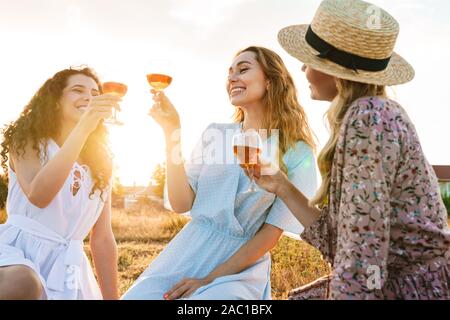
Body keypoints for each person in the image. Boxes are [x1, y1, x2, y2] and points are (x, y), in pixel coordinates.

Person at [248, 0, 450, 299]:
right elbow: (340, 239)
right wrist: (282, 186)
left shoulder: (368, 120)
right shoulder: (371, 114)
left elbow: (362, 255)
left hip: (414, 289)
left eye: (310, 59)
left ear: (335, 70)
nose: (302, 67)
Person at [122, 46, 318, 300]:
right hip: (189, 250)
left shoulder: (296, 150)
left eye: (243, 69)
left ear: (270, 81)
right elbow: (182, 203)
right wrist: (172, 131)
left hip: (241, 267)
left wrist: (209, 280)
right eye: (230, 73)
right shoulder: (216, 134)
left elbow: (271, 234)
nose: (232, 78)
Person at [0, 67, 120, 300]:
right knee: (24, 283)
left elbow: (103, 238)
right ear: (55, 102)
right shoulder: (28, 141)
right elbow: (39, 195)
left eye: (96, 94)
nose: (89, 97)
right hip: (15, 253)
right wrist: (84, 127)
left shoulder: (102, 163)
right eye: (78, 90)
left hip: (68, 266)